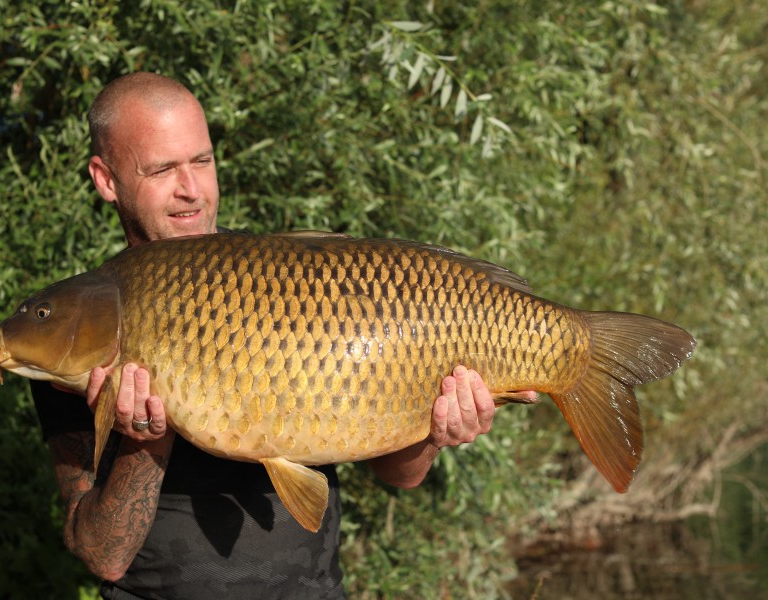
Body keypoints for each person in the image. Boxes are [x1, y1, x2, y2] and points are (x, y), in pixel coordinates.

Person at [31, 72, 499, 599]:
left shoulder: (285, 276)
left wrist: (435, 431)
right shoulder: (81, 328)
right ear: (106, 179)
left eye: (202, 162)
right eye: (162, 169)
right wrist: (147, 441)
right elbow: (102, 554)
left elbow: (399, 473)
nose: (191, 189)